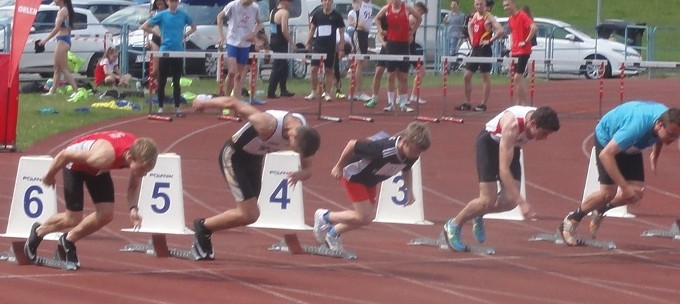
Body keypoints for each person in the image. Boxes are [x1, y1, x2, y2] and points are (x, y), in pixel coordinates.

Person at [188, 96, 321, 260]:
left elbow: (308, 168)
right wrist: (205, 104)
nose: (295, 154)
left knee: (248, 215)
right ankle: (202, 227)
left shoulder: (304, 134)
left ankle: (205, 228)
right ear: (292, 136)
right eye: (296, 150)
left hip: (255, 159)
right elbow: (234, 103)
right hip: (233, 157)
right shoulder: (267, 124)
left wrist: (300, 174)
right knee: (250, 214)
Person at [24, 131, 159, 270]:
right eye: (142, 169)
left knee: (106, 214)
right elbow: (65, 155)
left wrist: (133, 209)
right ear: (130, 157)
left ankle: (68, 240)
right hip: (75, 164)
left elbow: (134, 186)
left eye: (147, 170)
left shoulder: (139, 152)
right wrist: (49, 175)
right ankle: (39, 231)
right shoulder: (105, 156)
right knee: (72, 219)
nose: (144, 173)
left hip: (97, 168)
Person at [559, 101, 680, 245]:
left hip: (633, 146)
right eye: (671, 135)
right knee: (607, 193)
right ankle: (571, 221)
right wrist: (624, 187)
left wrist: (655, 156)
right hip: (608, 141)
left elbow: (661, 136)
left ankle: (600, 210)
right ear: (659, 125)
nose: (673, 139)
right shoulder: (636, 127)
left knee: (636, 194)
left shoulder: (668, 118)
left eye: (676, 136)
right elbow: (606, 155)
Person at [443, 106, 560, 251]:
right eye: (543, 133)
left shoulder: (539, 116)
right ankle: (453, 225)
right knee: (487, 200)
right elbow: (503, 170)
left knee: (510, 201)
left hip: (512, 146)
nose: (544, 138)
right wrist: (522, 202)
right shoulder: (512, 126)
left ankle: (478, 213)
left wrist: (517, 200)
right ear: (533, 124)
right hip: (489, 145)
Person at [313, 122, 432, 252]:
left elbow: (407, 170)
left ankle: (333, 233)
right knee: (362, 216)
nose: (417, 154)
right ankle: (324, 217)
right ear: (405, 142)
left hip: (370, 180)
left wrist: (409, 190)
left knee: (367, 219)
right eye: (416, 150)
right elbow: (352, 144)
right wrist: (339, 166)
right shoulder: (383, 149)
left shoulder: (411, 154)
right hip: (355, 176)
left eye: (420, 151)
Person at [141, 0, 197, 115]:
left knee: (177, 81)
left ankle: (177, 107)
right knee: (162, 79)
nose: (174, 3)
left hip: (178, 51)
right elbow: (144, 26)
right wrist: (157, 34)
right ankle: (160, 107)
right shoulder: (161, 15)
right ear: (168, 2)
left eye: (176, 1)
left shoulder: (182, 15)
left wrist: (185, 35)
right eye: (171, 1)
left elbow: (194, 27)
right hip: (165, 50)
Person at [373, 0, 422, 112]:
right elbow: (376, 18)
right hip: (391, 44)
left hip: (403, 45)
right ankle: (391, 103)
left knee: (403, 76)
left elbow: (419, 18)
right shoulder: (387, 8)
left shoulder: (407, 8)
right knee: (390, 75)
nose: (395, 1)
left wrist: (412, 32)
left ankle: (403, 103)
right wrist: (380, 30)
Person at [454, 0, 502, 112]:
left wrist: (490, 41)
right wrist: (471, 38)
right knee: (467, 76)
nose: (479, 6)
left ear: (485, 5)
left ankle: (483, 104)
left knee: (485, 76)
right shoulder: (475, 15)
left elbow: (500, 30)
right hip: (475, 49)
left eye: (481, 4)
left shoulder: (489, 17)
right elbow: (470, 26)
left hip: (484, 50)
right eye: (477, 4)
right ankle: (467, 103)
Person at [218, 0, 263, 100]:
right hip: (232, 42)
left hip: (245, 44)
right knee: (232, 72)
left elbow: (260, 23)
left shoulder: (255, 7)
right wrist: (221, 35)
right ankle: (226, 98)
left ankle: (236, 102)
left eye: (249, 3)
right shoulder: (233, 5)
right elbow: (219, 17)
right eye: (246, 3)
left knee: (239, 75)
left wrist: (253, 33)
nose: (247, 5)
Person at [305, 0, 346, 102]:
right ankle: (313, 92)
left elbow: (341, 32)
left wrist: (341, 48)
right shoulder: (317, 14)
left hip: (330, 46)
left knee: (328, 70)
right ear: (322, 2)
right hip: (318, 46)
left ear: (332, 2)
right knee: (314, 69)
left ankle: (327, 93)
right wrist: (308, 42)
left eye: (329, 1)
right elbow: (312, 29)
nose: (327, 3)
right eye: (325, 1)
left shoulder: (336, 15)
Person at [38, 0, 78, 98]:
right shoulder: (65, 10)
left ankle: (75, 90)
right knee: (57, 68)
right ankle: (53, 91)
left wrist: (45, 40)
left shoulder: (62, 11)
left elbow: (57, 28)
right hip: (64, 39)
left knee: (63, 68)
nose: (54, 1)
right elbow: (67, 27)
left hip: (62, 41)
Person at [504, 0, 536, 106]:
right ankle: (519, 103)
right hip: (515, 50)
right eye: (504, 6)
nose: (506, 7)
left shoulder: (522, 15)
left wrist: (526, 41)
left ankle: (523, 104)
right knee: (516, 78)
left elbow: (534, 28)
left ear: (513, 3)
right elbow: (513, 33)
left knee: (518, 76)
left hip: (524, 50)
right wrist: (511, 48)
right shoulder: (510, 19)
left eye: (508, 5)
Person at [267, 0, 297, 98]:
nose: (290, 4)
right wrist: (292, 43)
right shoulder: (284, 13)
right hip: (280, 42)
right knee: (278, 66)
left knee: (284, 66)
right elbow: (284, 30)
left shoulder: (273, 11)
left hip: (273, 39)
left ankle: (283, 89)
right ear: (284, 1)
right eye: (289, 2)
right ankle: (271, 91)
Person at [347, 0, 375, 101]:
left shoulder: (369, 4)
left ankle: (354, 92)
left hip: (365, 34)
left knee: (360, 63)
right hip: (358, 33)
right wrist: (358, 23)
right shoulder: (359, 3)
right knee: (360, 61)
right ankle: (358, 92)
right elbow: (350, 22)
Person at [147, 0, 167, 78]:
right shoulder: (153, 13)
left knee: (165, 64)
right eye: (157, 4)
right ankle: (158, 84)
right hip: (156, 38)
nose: (159, 6)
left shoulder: (169, 12)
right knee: (155, 68)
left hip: (166, 38)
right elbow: (146, 26)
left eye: (161, 4)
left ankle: (162, 83)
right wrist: (147, 40)